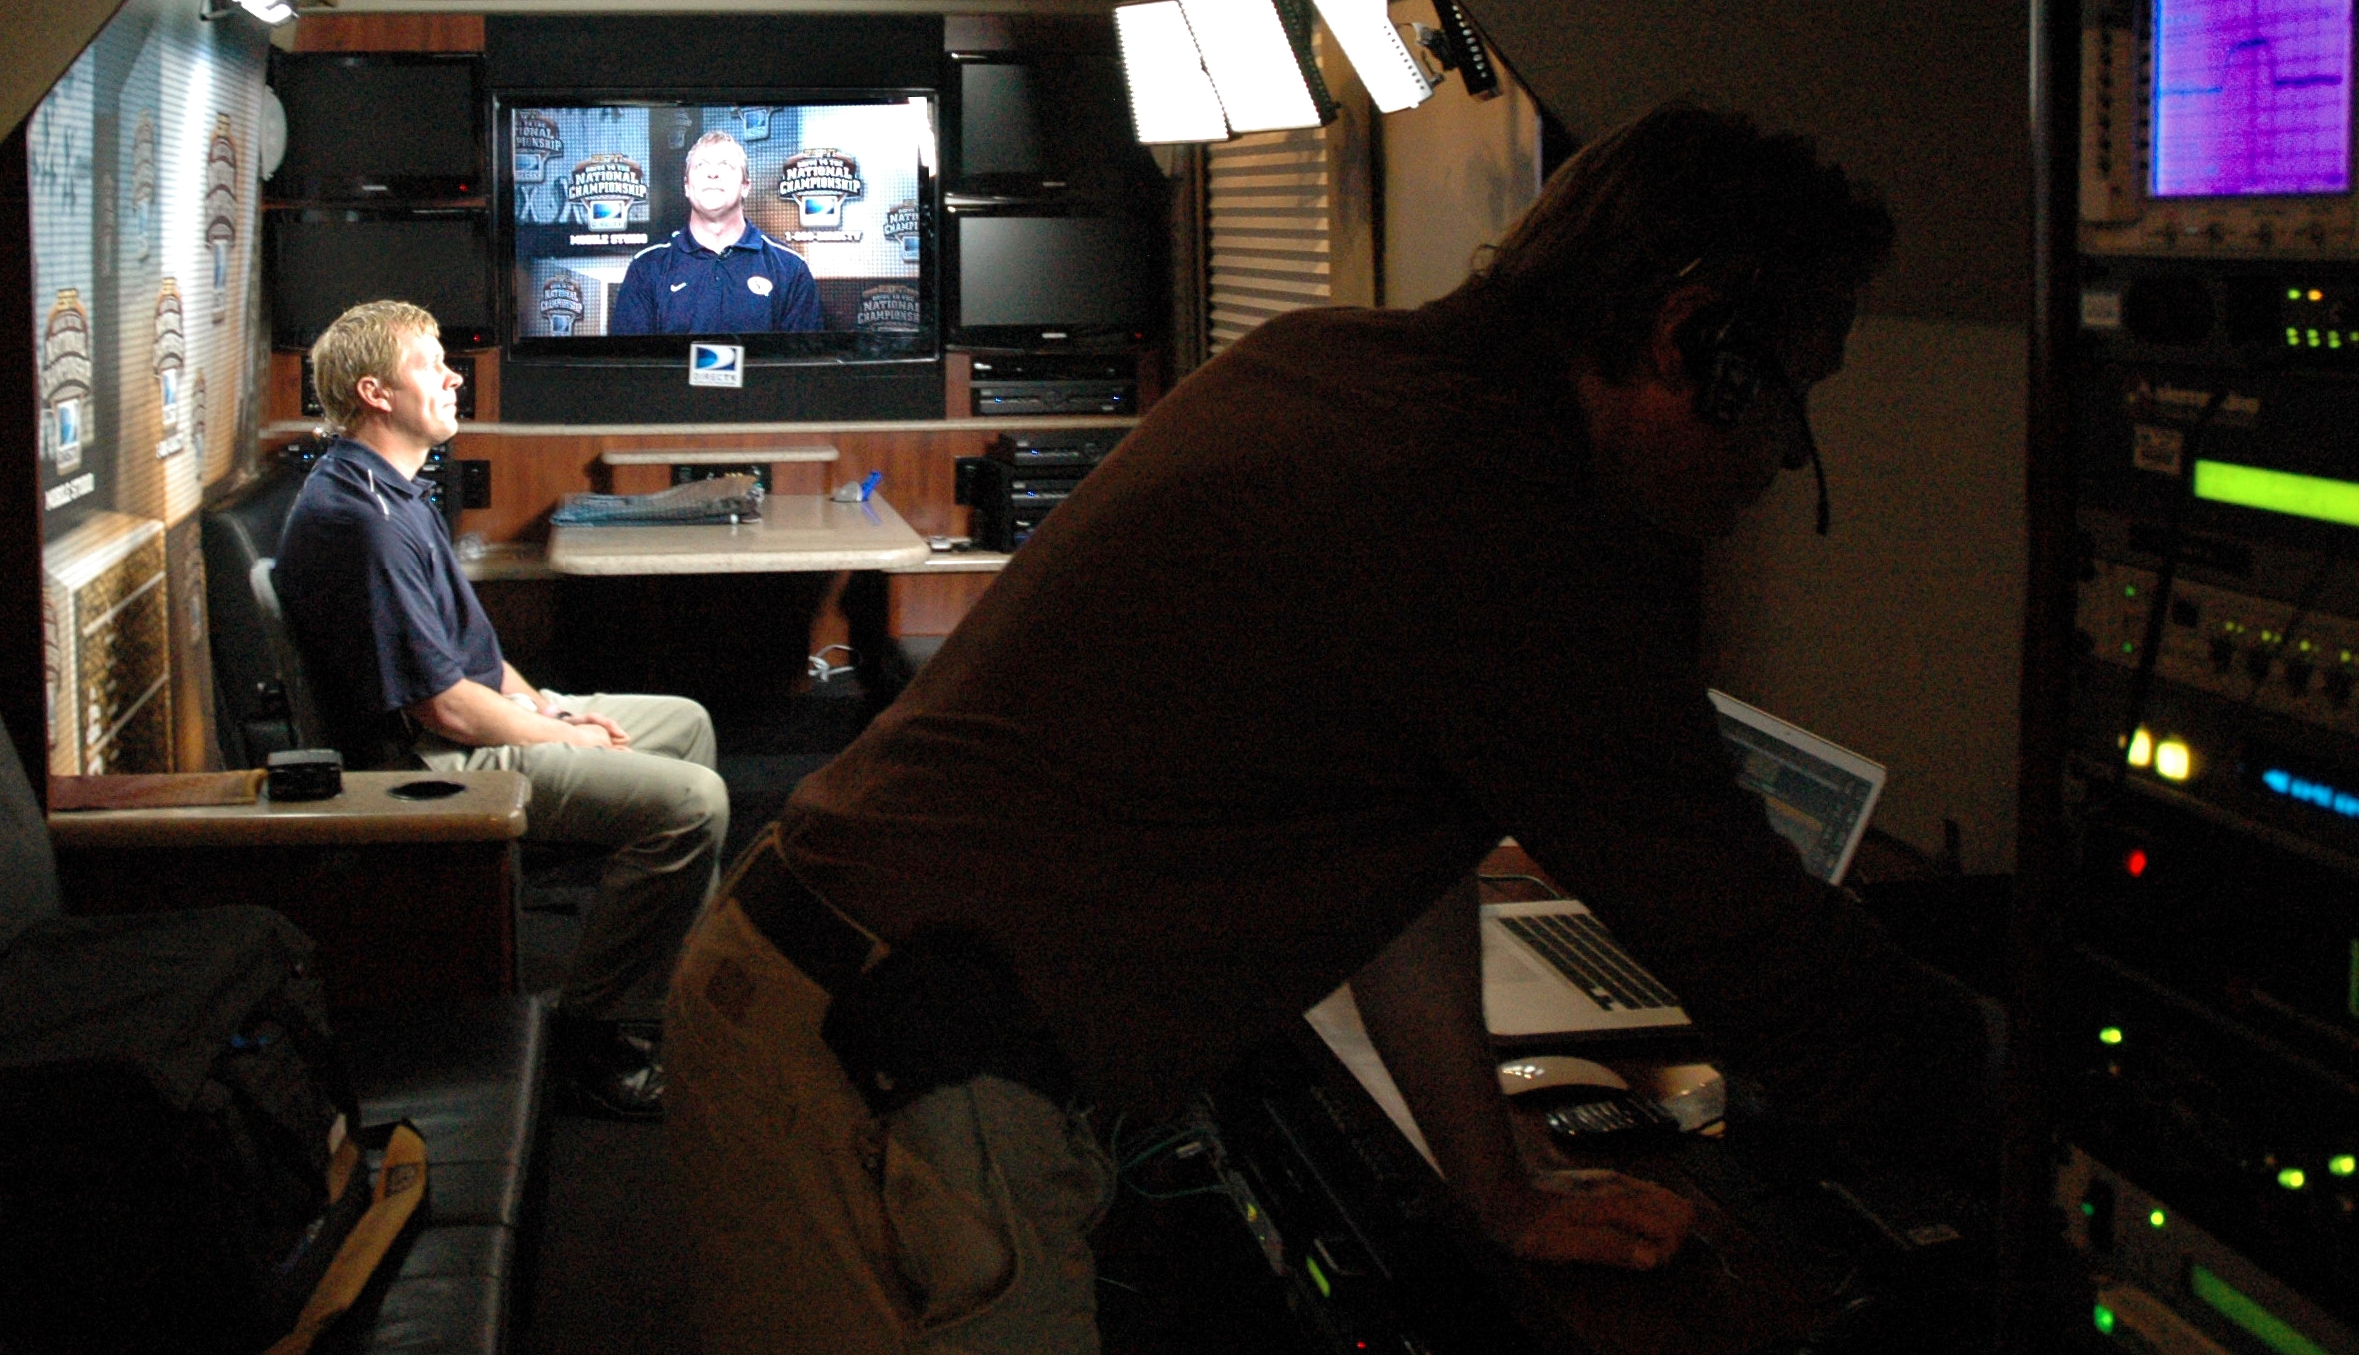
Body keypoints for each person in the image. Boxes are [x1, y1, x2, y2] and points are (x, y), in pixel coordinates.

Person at [664, 103, 1996, 1354]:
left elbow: (1395, 872)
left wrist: (1497, 1185)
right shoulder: (1511, 516)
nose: (1778, 463)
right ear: (1688, 337)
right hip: (887, 1076)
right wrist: (2036, 1109)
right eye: (1789, 398)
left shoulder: (1341, 360)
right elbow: (1747, 937)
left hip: (818, 1004)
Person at [274, 299, 731, 1118]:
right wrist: (562, 735)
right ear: (376, 393)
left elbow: (475, 655)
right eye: (430, 363)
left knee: (688, 720)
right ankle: (598, 1039)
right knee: (693, 805)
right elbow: (445, 710)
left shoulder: (391, 490)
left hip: (471, 714)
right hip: (430, 760)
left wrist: (549, 709)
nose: (454, 376)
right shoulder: (365, 523)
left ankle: (653, 975)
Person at [608, 129, 824, 334]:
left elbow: (800, 366)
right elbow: (634, 365)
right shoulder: (646, 267)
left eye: (726, 166)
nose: (712, 173)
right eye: (701, 166)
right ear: (686, 186)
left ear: (745, 186)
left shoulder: (790, 267)